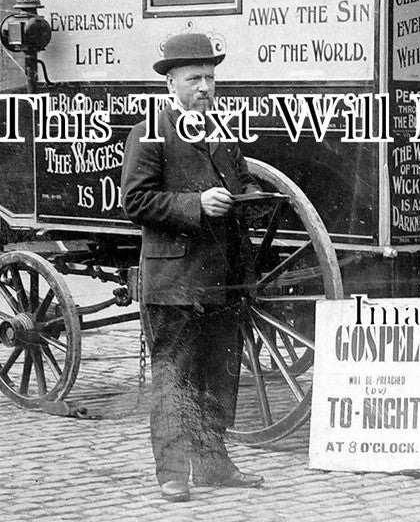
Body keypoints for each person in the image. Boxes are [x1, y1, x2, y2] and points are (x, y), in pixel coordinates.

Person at [121, 32, 265, 502]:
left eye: (210, 78)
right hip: (176, 282)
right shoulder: (149, 133)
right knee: (175, 378)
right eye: (194, 79)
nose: (205, 87)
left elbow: (242, 186)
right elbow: (136, 200)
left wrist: (249, 200)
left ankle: (214, 466)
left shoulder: (221, 133)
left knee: (219, 374)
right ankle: (173, 474)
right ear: (171, 85)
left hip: (223, 281)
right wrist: (196, 203)